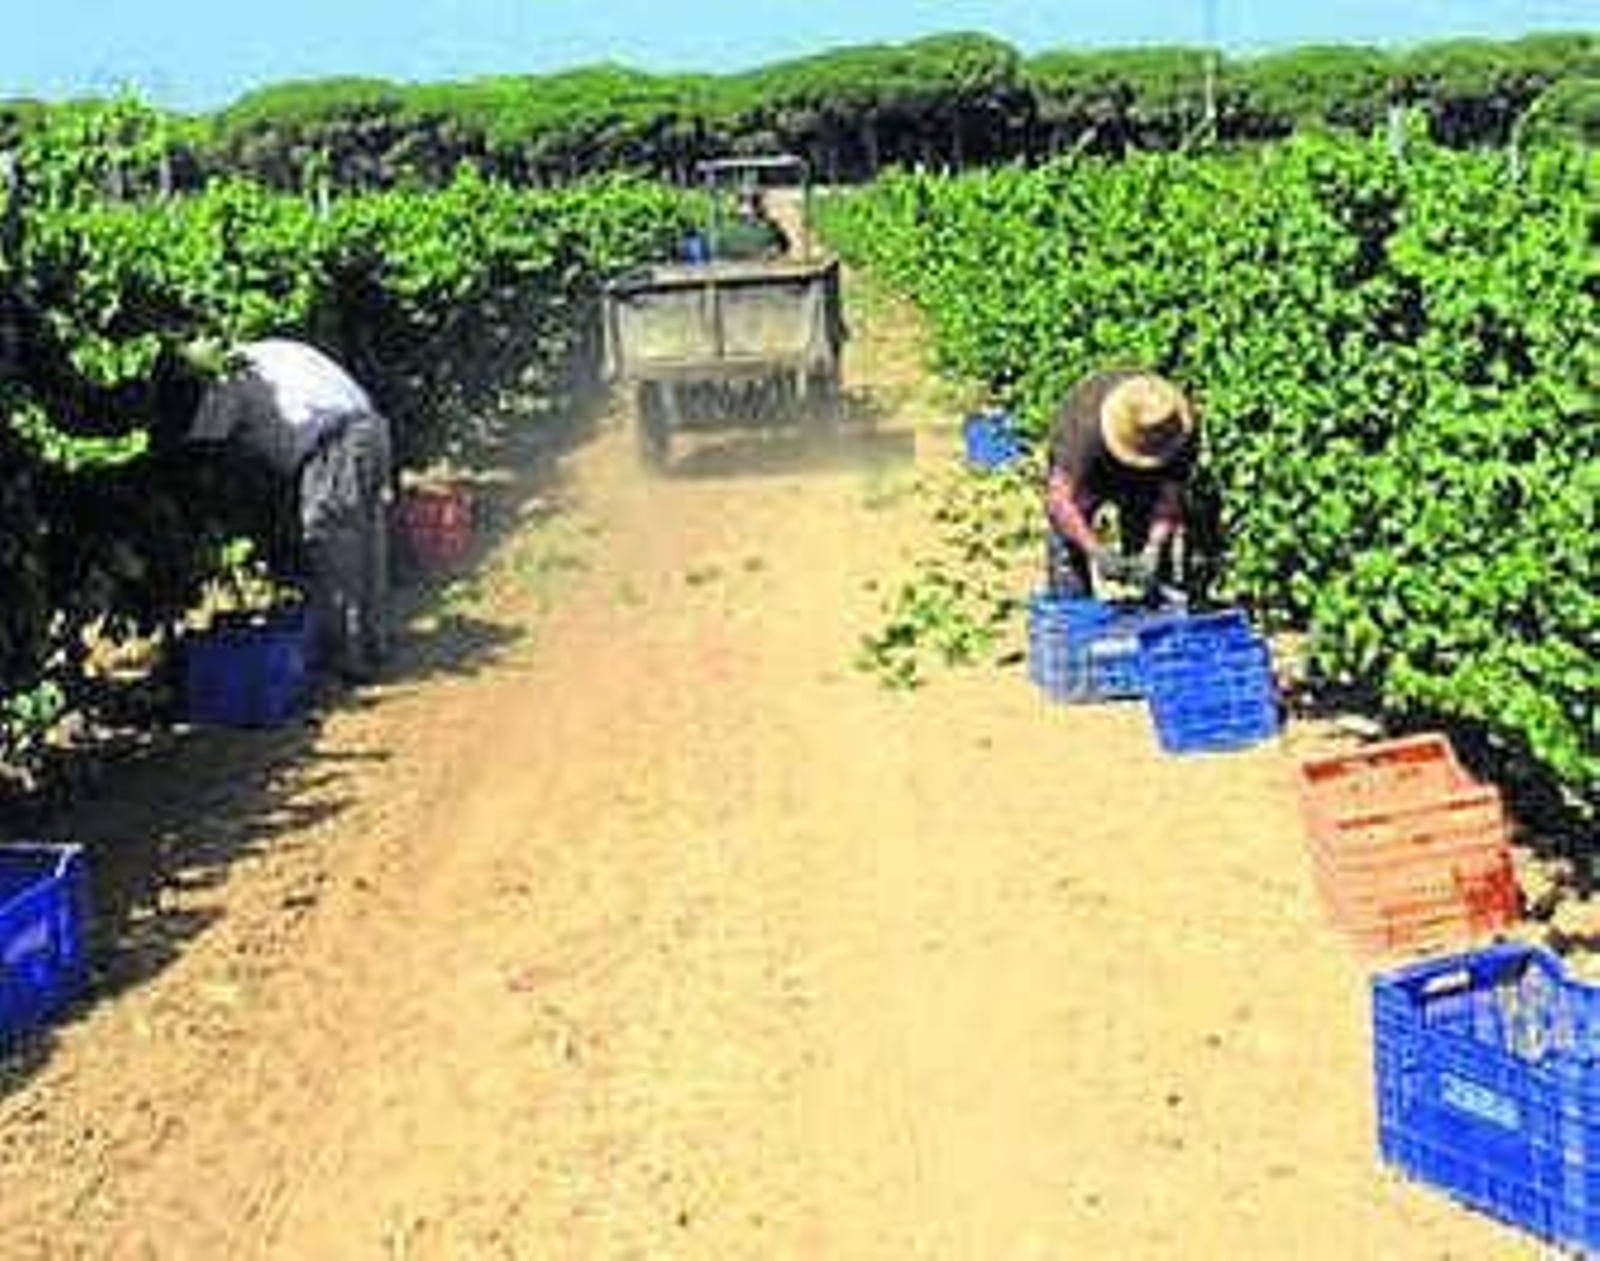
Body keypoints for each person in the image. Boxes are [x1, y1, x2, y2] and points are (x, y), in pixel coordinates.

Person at [188, 338, 393, 683]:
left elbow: (208, 440)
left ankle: (348, 660)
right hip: (371, 428)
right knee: (367, 542)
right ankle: (373, 644)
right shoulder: (272, 350)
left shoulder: (229, 375)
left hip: (335, 446)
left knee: (329, 544)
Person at [1043, 369, 1199, 602]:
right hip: (1091, 472)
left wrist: (1154, 546)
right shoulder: (1082, 429)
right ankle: (1073, 611)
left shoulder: (1173, 426)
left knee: (1151, 568)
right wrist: (1096, 551)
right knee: (1069, 548)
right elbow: (1060, 501)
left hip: (1147, 481)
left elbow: (1171, 495)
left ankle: (1150, 611)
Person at [715, 189, 789, 261]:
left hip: (753, 225)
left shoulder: (751, 208)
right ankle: (774, 250)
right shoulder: (745, 208)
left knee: (775, 230)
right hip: (749, 227)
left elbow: (758, 216)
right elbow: (747, 217)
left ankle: (775, 250)